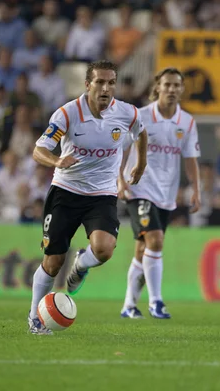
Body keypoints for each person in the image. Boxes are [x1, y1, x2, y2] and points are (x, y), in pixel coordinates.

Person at [28, 60, 147, 335]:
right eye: (100, 82)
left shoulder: (126, 112)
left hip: (102, 194)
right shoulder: (67, 114)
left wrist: (140, 165)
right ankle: (35, 317)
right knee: (53, 262)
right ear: (88, 85)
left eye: (111, 83)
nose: (106, 88)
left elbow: (141, 132)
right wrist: (57, 160)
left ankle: (81, 264)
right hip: (66, 192)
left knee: (105, 249)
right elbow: (38, 150)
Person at [118, 67, 201, 319]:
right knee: (155, 240)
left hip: (166, 194)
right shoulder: (141, 116)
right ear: (158, 88)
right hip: (139, 188)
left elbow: (190, 159)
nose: (172, 90)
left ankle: (129, 306)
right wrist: (120, 179)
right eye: (167, 85)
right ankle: (156, 302)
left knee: (144, 250)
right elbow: (122, 148)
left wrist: (196, 190)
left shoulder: (186, 122)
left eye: (177, 85)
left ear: (182, 89)